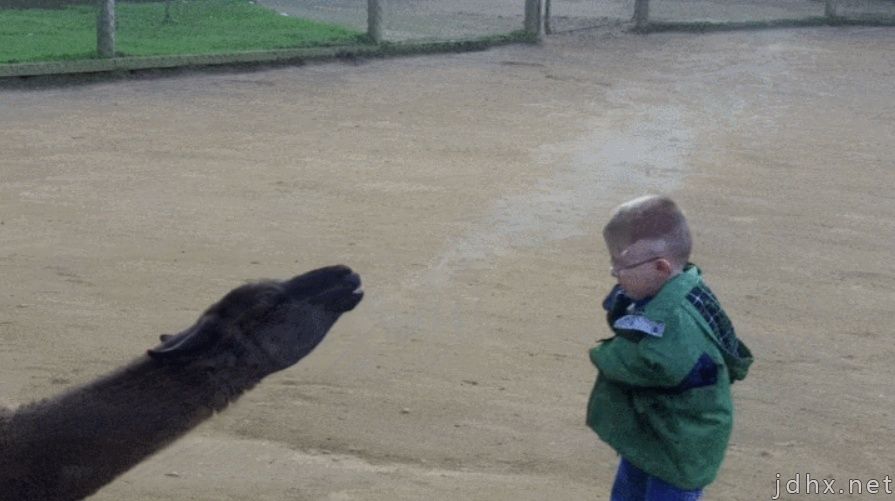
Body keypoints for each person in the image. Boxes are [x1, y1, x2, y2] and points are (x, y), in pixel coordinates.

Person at [586, 195, 753, 501]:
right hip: (654, 431)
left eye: (620, 267)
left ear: (660, 267)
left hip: (681, 445)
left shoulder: (675, 322)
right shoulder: (676, 287)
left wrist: (603, 354)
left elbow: (647, 363)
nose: (615, 273)